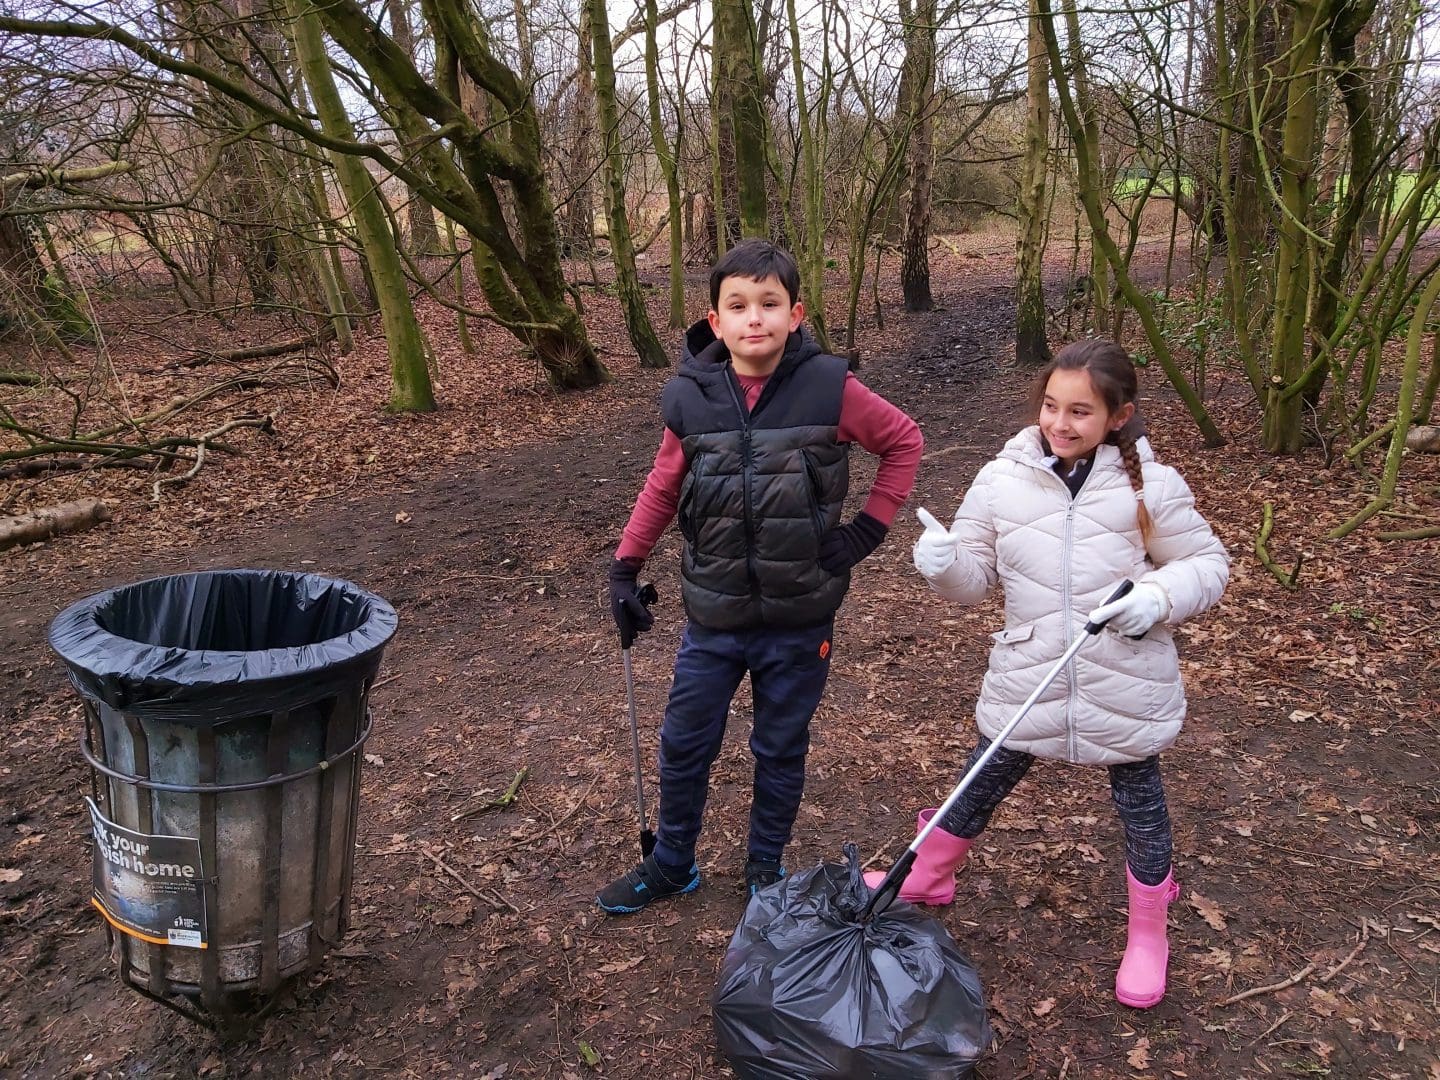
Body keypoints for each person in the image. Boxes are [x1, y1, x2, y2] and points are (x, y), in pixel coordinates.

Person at [885, 338, 1228, 1008]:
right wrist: (943, 564)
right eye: (1050, 406)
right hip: (1032, 669)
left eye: (1080, 411)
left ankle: (1149, 932)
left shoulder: (1148, 484)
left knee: (1141, 805)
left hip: (1124, 676)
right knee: (980, 780)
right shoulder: (1001, 478)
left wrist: (1158, 597)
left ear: (1119, 416)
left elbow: (1207, 565)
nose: (1060, 423)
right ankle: (927, 875)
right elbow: (974, 580)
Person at [597, 239, 923, 914]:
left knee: (780, 746)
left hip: (801, 615)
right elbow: (663, 485)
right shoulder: (688, 398)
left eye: (769, 304)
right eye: (738, 306)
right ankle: (672, 863)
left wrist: (868, 529)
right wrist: (626, 566)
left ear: (796, 313)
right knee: (685, 741)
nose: (755, 319)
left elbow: (904, 441)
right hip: (714, 614)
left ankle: (763, 870)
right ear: (714, 321)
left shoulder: (831, 387)